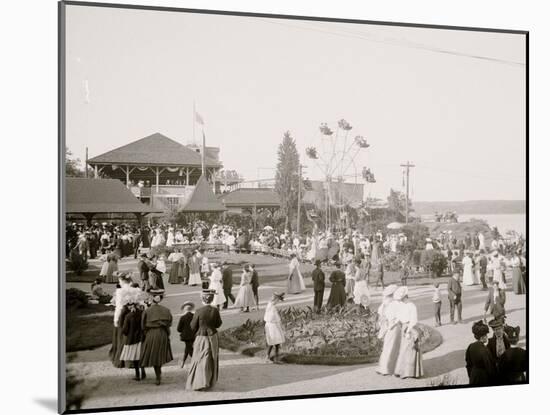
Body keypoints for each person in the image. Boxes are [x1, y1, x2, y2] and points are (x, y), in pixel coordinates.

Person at [186, 289, 223, 391]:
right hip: (213, 337)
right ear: (211, 299)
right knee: (211, 358)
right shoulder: (215, 310)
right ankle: (209, 381)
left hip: (201, 338)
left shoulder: (198, 311)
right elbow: (218, 324)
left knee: (199, 359)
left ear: (203, 299)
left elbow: (193, 326)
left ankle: (200, 381)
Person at [140, 289, 173, 385]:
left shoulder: (147, 311)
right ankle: (158, 373)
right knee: (160, 354)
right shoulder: (166, 310)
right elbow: (169, 323)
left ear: (151, 298)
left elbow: (143, 326)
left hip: (151, 334)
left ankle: (157, 375)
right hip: (163, 334)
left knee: (154, 355)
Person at [394, 286, 423, 379]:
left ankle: (410, 372)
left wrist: (408, 330)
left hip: (411, 329)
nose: (400, 301)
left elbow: (413, 320)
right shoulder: (402, 305)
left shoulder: (412, 306)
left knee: (410, 350)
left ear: (406, 297)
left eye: (402, 299)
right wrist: (395, 323)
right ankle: (401, 370)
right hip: (404, 327)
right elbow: (399, 316)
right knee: (403, 349)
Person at [109, 274, 132, 368]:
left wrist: (116, 319)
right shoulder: (133, 289)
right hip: (132, 313)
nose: (119, 282)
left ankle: (121, 359)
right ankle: (131, 359)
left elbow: (119, 307)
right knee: (130, 335)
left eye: (119, 281)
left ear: (122, 280)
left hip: (123, 314)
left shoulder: (120, 291)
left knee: (121, 335)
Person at [376, 285, 400, 376]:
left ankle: (386, 367)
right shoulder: (392, 304)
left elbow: (381, 318)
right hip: (393, 327)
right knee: (391, 347)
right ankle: (388, 368)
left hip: (390, 327)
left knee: (389, 347)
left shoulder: (384, 305)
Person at [120, 298, 146, 381]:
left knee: (135, 358)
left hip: (132, 339)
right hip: (142, 338)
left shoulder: (128, 316)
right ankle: (143, 371)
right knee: (140, 356)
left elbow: (125, 330)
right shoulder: (142, 313)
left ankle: (137, 375)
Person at [465, 320, 496, 385]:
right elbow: (490, 368)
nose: (487, 337)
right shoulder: (484, 349)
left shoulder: (471, 346)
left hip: (473, 375)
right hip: (483, 377)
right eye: (486, 335)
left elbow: (468, 364)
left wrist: (471, 376)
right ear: (483, 337)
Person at [264, 292, 286, 363]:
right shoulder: (272, 307)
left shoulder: (270, 305)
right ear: (275, 300)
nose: (277, 302)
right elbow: (273, 318)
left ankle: (274, 357)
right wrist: (280, 322)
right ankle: (271, 357)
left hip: (271, 325)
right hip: (272, 326)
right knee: (274, 341)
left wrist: (280, 296)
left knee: (275, 342)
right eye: (277, 300)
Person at [177, 301, 196, 368]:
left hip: (186, 336)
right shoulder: (195, 316)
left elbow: (178, 329)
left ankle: (196, 361)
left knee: (189, 348)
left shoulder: (182, 317)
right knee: (188, 348)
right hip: (194, 335)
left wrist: (183, 330)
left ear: (185, 310)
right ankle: (183, 362)